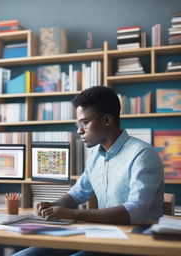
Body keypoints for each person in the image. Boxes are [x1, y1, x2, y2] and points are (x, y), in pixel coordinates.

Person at [13, 85, 164, 256]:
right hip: (100, 236)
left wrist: (73, 214)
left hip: (133, 244)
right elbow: (76, 194)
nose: (79, 130)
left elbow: (136, 211)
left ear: (107, 120)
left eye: (84, 122)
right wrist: (54, 206)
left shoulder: (142, 154)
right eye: (78, 123)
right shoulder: (95, 155)